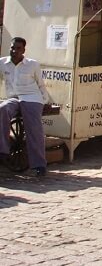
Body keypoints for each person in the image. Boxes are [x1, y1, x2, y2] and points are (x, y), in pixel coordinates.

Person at [0, 37, 55, 177]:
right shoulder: (3, 63)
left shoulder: (32, 65)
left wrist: (45, 101)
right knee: (2, 109)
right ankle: (3, 150)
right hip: (13, 98)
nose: (15, 51)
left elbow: (41, 84)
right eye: (12, 48)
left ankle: (39, 164)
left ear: (23, 50)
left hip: (32, 98)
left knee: (33, 127)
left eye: (18, 48)